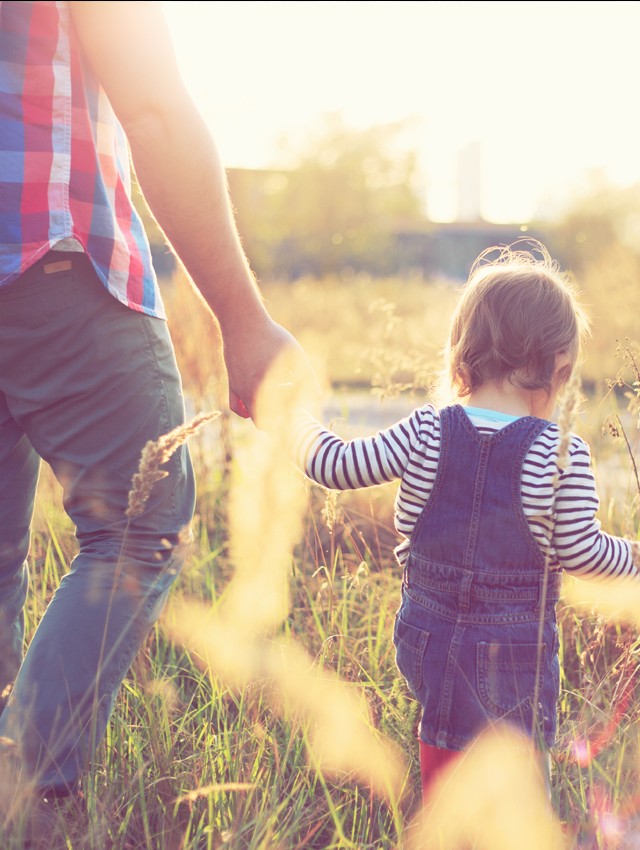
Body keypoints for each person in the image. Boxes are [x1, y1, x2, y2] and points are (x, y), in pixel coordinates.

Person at [0, 0, 307, 811]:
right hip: (47, 252)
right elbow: (155, 109)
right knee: (139, 528)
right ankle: (21, 804)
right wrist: (242, 319)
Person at [290, 240, 640, 804]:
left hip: (429, 643)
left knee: (445, 761)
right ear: (560, 369)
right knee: (518, 795)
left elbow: (335, 464)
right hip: (514, 658)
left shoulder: (427, 429)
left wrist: (289, 414)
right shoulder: (558, 452)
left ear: (461, 352)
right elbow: (585, 555)